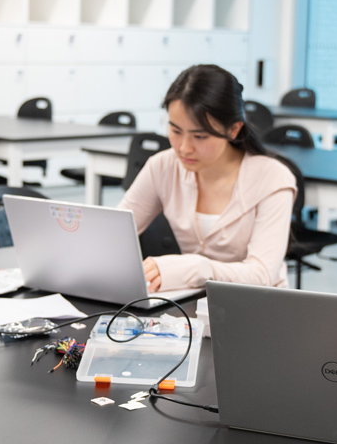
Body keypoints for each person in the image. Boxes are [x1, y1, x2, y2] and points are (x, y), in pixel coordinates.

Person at [117, 64, 296, 291]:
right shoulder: (163, 165)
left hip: (259, 308)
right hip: (193, 303)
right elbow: (117, 233)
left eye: (199, 136)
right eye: (175, 131)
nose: (184, 148)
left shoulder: (272, 178)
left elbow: (261, 275)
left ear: (233, 129)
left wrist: (194, 268)